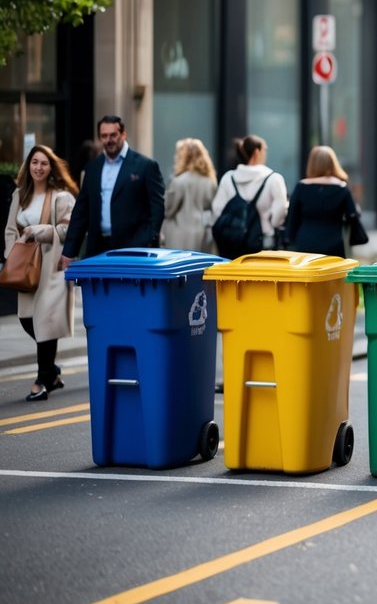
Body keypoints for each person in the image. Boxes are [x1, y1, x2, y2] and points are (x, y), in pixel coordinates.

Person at [5, 146, 78, 401]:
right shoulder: (19, 194)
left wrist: (43, 231)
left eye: (44, 163)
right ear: (29, 165)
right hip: (25, 267)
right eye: (34, 162)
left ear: (51, 167)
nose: (38, 167)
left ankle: (41, 381)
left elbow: (69, 230)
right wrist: (11, 254)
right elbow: (10, 230)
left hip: (51, 268)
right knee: (27, 320)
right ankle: (52, 373)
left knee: (45, 323)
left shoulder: (61, 197)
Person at [62, 115, 165, 268]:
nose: (109, 140)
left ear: (123, 134)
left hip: (134, 251)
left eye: (113, 135)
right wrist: (69, 251)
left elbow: (157, 209)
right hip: (98, 250)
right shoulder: (93, 168)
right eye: (104, 136)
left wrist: (146, 240)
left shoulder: (146, 166)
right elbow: (81, 211)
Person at [210, 134, 289, 252]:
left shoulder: (228, 178)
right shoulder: (273, 179)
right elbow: (280, 212)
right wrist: (271, 225)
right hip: (263, 242)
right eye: (265, 150)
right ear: (257, 152)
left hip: (232, 242)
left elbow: (217, 210)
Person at [284, 145, 360, 258]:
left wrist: (289, 239)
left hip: (305, 242)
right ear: (333, 164)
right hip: (334, 242)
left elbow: (292, 216)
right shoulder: (342, 188)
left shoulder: (301, 187)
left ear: (312, 164)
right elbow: (352, 215)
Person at [161, 138, 218, 253]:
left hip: (179, 235)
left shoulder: (178, 181)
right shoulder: (210, 181)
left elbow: (168, 209)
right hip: (203, 234)